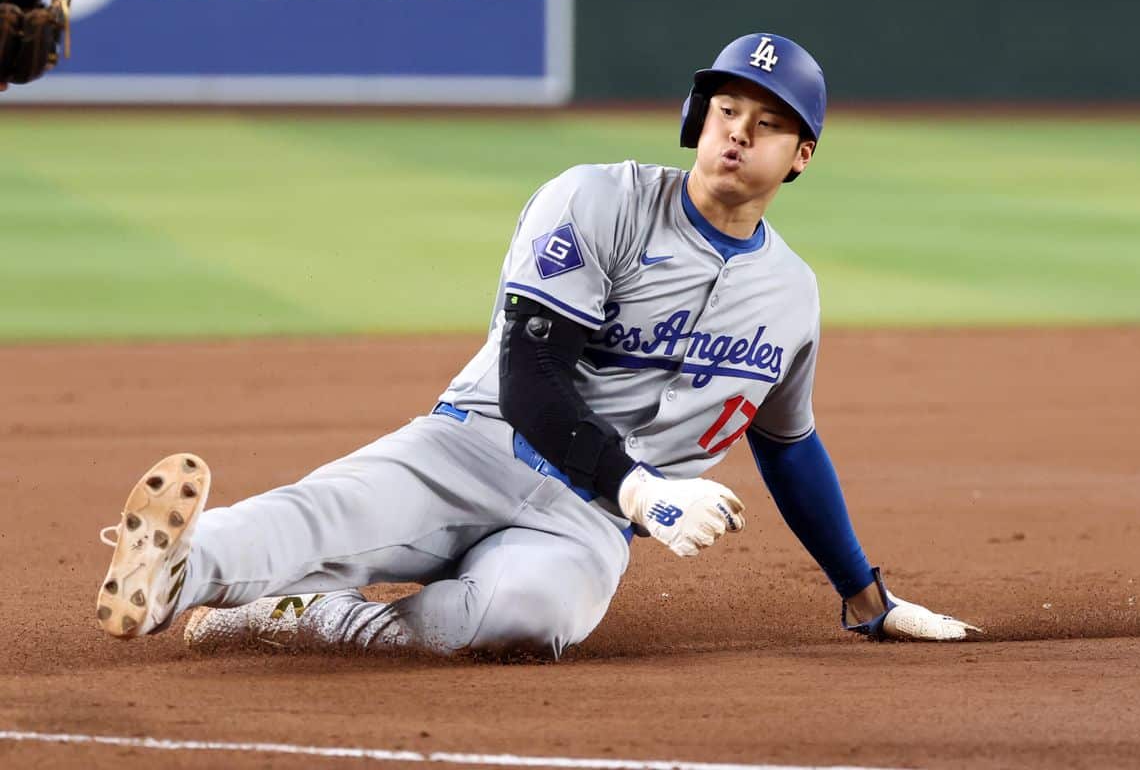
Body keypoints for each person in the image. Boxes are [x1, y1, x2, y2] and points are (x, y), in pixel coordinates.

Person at [95, 33, 979, 659]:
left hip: (586, 520)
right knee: (336, 515)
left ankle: (308, 617)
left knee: (526, 618)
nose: (739, 130)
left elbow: (788, 445)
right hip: (474, 444)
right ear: (695, 119)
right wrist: (642, 489)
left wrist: (865, 597)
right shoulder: (596, 200)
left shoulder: (792, 296)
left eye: (768, 121)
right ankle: (173, 570)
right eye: (725, 108)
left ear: (801, 155)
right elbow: (531, 376)